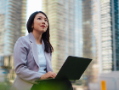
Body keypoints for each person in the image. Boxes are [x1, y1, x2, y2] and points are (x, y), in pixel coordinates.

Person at [11, 11, 73, 90]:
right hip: (30, 84)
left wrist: (53, 75)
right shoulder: (22, 41)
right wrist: (41, 76)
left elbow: (48, 70)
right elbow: (19, 69)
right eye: (39, 18)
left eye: (46, 20)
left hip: (45, 83)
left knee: (65, 81)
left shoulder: (47, 47)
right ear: (32, 24)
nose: (44, 21)